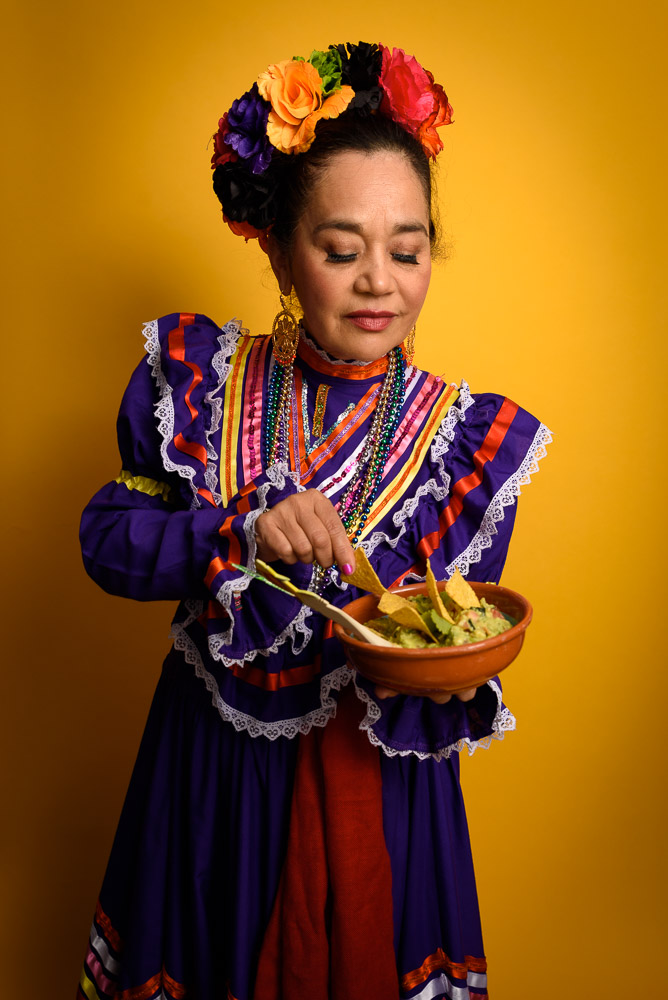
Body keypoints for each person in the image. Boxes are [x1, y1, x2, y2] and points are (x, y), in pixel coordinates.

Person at [78, 42, 551, 1000]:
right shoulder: (203, 385)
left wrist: (451, 664)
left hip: (377, 797)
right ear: (282, 254)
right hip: (210, 781)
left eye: (407, 250)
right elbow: (106, 538)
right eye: (342, 250)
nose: (380, 280)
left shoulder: (464, 446)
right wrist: (237, 533)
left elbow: (451, 630)